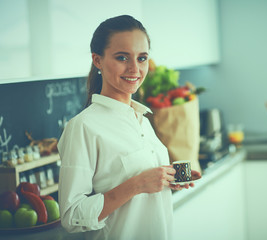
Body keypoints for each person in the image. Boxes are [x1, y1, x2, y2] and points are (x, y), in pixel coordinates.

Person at [57, 15, 201, 240]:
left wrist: (167, 178)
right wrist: (137, 185)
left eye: (142, 58)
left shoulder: (141, 117)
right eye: (122, 57)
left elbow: (136, 185)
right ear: (98, 60)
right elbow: (71, 215)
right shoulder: (83, 127)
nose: (135, 68)